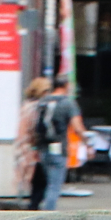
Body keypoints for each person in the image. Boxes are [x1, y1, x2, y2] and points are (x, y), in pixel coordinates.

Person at [31, 75, 77, 211]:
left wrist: (35, 147)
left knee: (49, 183)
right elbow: (76, 125)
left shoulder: (43, 102)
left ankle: (41, 209)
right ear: (66, 86)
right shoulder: (68, 103)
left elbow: (35, 126)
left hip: (43, 148)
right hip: (58, 147)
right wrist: (88, 142)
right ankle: (47, 216)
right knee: (54, 185)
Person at [11, 77, 48, 208]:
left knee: (36, 179)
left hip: (24, 146)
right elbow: (33, 129)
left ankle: (33, 204)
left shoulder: (26, 105)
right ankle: (33, 206)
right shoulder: (35, 108)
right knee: (40, 179)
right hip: (30, 148)